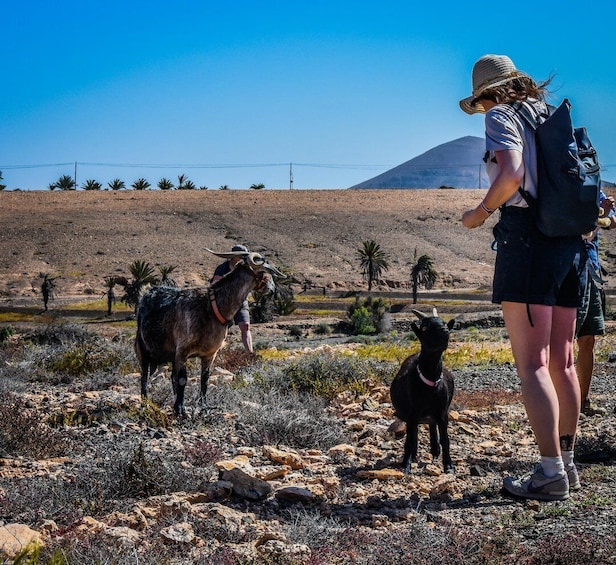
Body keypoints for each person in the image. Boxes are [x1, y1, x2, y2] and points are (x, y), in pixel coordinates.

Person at [460, 54, 586, 501]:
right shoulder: (549, 115)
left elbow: (512, 172)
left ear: (487, 94)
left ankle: (549, 471)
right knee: (564, 362)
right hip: (569, 241)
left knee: (532, 364)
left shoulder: (501, 116)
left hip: (527, 240)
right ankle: (567, 465)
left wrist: (480, 212)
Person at [576, 193, 615, 416]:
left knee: (588, 337)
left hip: (590, 269)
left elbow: (612, 221)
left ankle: (583, 400)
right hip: (568, 266)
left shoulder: (595, 188)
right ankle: (563, 401)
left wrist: (605, 213)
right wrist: (602, 214)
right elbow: (584, 231)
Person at [212, 244, 254, 354]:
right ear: (233, 256)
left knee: (245, 325)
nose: (243, 258)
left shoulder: (245, 269)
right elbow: (215, 285)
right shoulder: (222, 268)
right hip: (224, 304)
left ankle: (250, 353)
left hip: (240, 301)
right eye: (241, 255)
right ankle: (217, 352)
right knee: (221, 328)